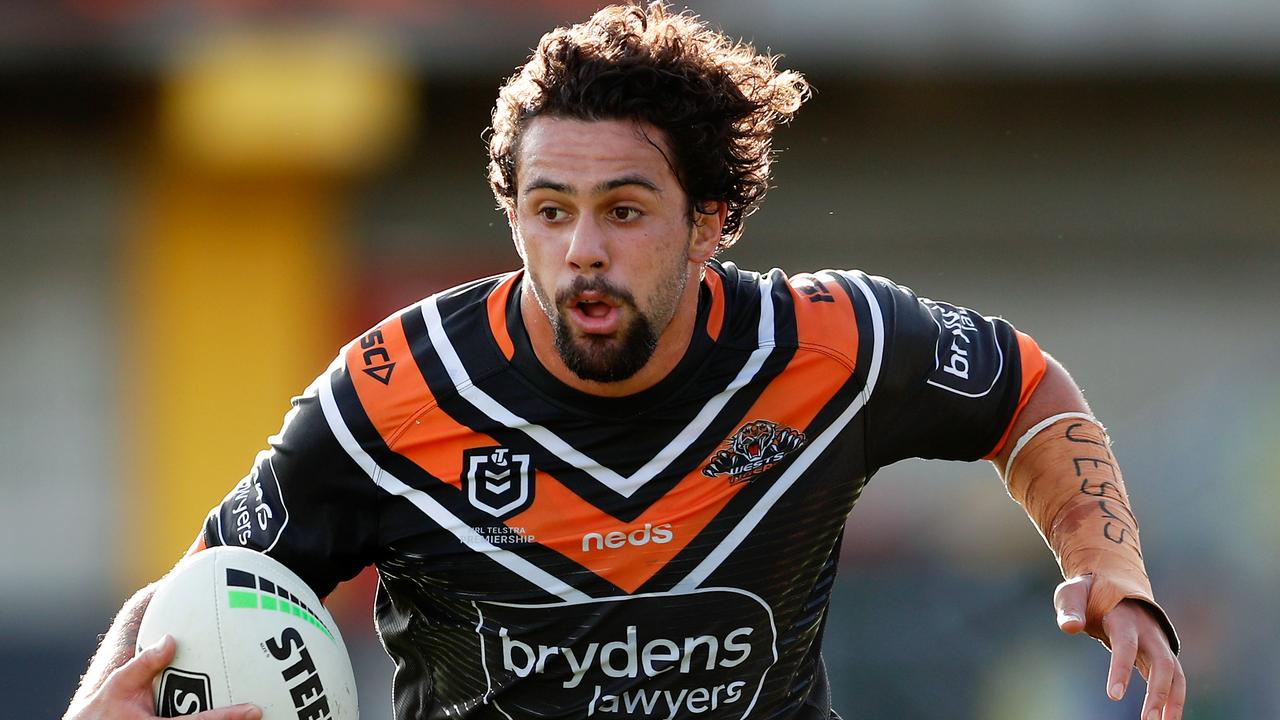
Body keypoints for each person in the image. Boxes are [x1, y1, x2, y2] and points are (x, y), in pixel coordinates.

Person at [64, 3, 1185, 719]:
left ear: (709, 223)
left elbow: (1024, 391)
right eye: (548, 210)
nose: (581, 250)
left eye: (623, 209)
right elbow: (201, 588)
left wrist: (1109, 562)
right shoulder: (393, 395)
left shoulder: (830, 347)